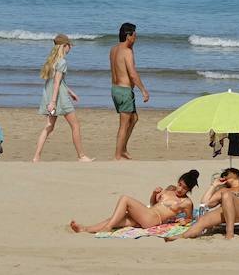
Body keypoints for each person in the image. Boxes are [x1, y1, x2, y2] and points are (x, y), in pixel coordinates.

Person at [69, 170, 200, 233]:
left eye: (184, 188)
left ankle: (107, 228)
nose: (180, 189)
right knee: (117, 219)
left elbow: (189, 218)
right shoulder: (170, 189)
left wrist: (185, 221)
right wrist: (154, 193)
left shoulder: (186, 202)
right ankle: (85, 229)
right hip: (147, 213)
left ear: (189, 189)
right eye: (180, 184)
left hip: (153, 220)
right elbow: (154, 203)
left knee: (125, 198)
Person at [32, 34, 92, 162]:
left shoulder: (51, 61)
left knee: (48, 126)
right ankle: (81, 156)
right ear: (64, 46)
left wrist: (70, 92)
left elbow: (57, 82)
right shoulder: (62, 62)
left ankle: (36, 157)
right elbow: (56, 83)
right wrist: (54, 102)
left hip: (50, 96)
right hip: (59, 99)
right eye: (69, 45)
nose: (70, 48)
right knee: (75, 125)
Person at [165, 168, 239, 241]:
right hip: (226, 213)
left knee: (226, 194)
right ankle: (183, 236)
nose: (224, 175)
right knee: (202, 220)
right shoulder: (224, 189)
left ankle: (229, 234)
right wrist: (214, 185)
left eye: (226, 173)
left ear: (236, 174)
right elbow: (205, 203)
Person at [110, 22, 149, 160]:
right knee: (124, 125)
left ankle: (123, 148)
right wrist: (143, 90)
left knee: (134, 118)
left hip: (115, 89)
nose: (135, 39)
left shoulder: (114, 49)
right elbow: (132, 74)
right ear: (128, 36)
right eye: (134, 36)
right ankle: (117, 156)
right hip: (124, 91)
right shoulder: (127, 52)